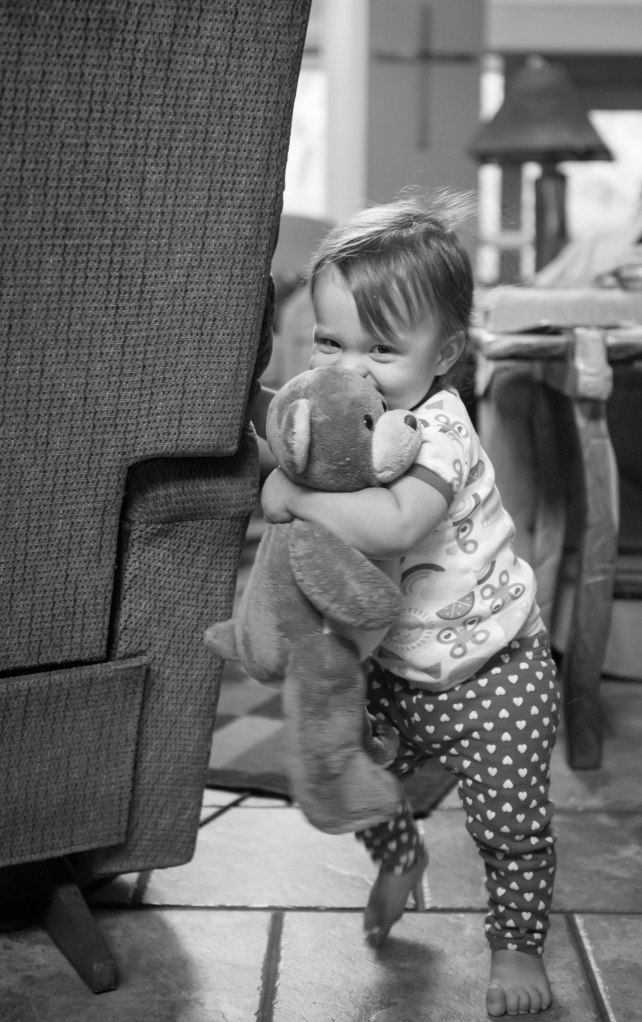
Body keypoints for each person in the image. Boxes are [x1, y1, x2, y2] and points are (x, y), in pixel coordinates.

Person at [252, 191, 560, 1018]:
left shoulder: (441, 427)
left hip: (495, 673)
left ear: (447, 351)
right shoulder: (343, 419)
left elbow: (396, 525)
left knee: (511, 824)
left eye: (382, 348)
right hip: (391, 667)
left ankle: (517, 946)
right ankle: (399, 855)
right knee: (341, 761)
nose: (350, 369)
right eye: (329, 340)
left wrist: (290, 490)